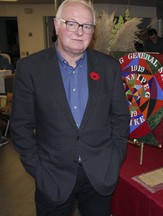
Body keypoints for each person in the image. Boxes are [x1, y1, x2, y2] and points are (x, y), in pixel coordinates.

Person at [10, 0, 130, 215]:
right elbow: (20, 127)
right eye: (71, 23)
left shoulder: (109, 67)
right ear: (57, 25)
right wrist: (39, 170)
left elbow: (120, 117)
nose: (79, 32)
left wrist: (114, 158)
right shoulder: (30, 69)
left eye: (87, 26)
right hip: (52, 175)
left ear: (92, 31)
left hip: (99, 175)